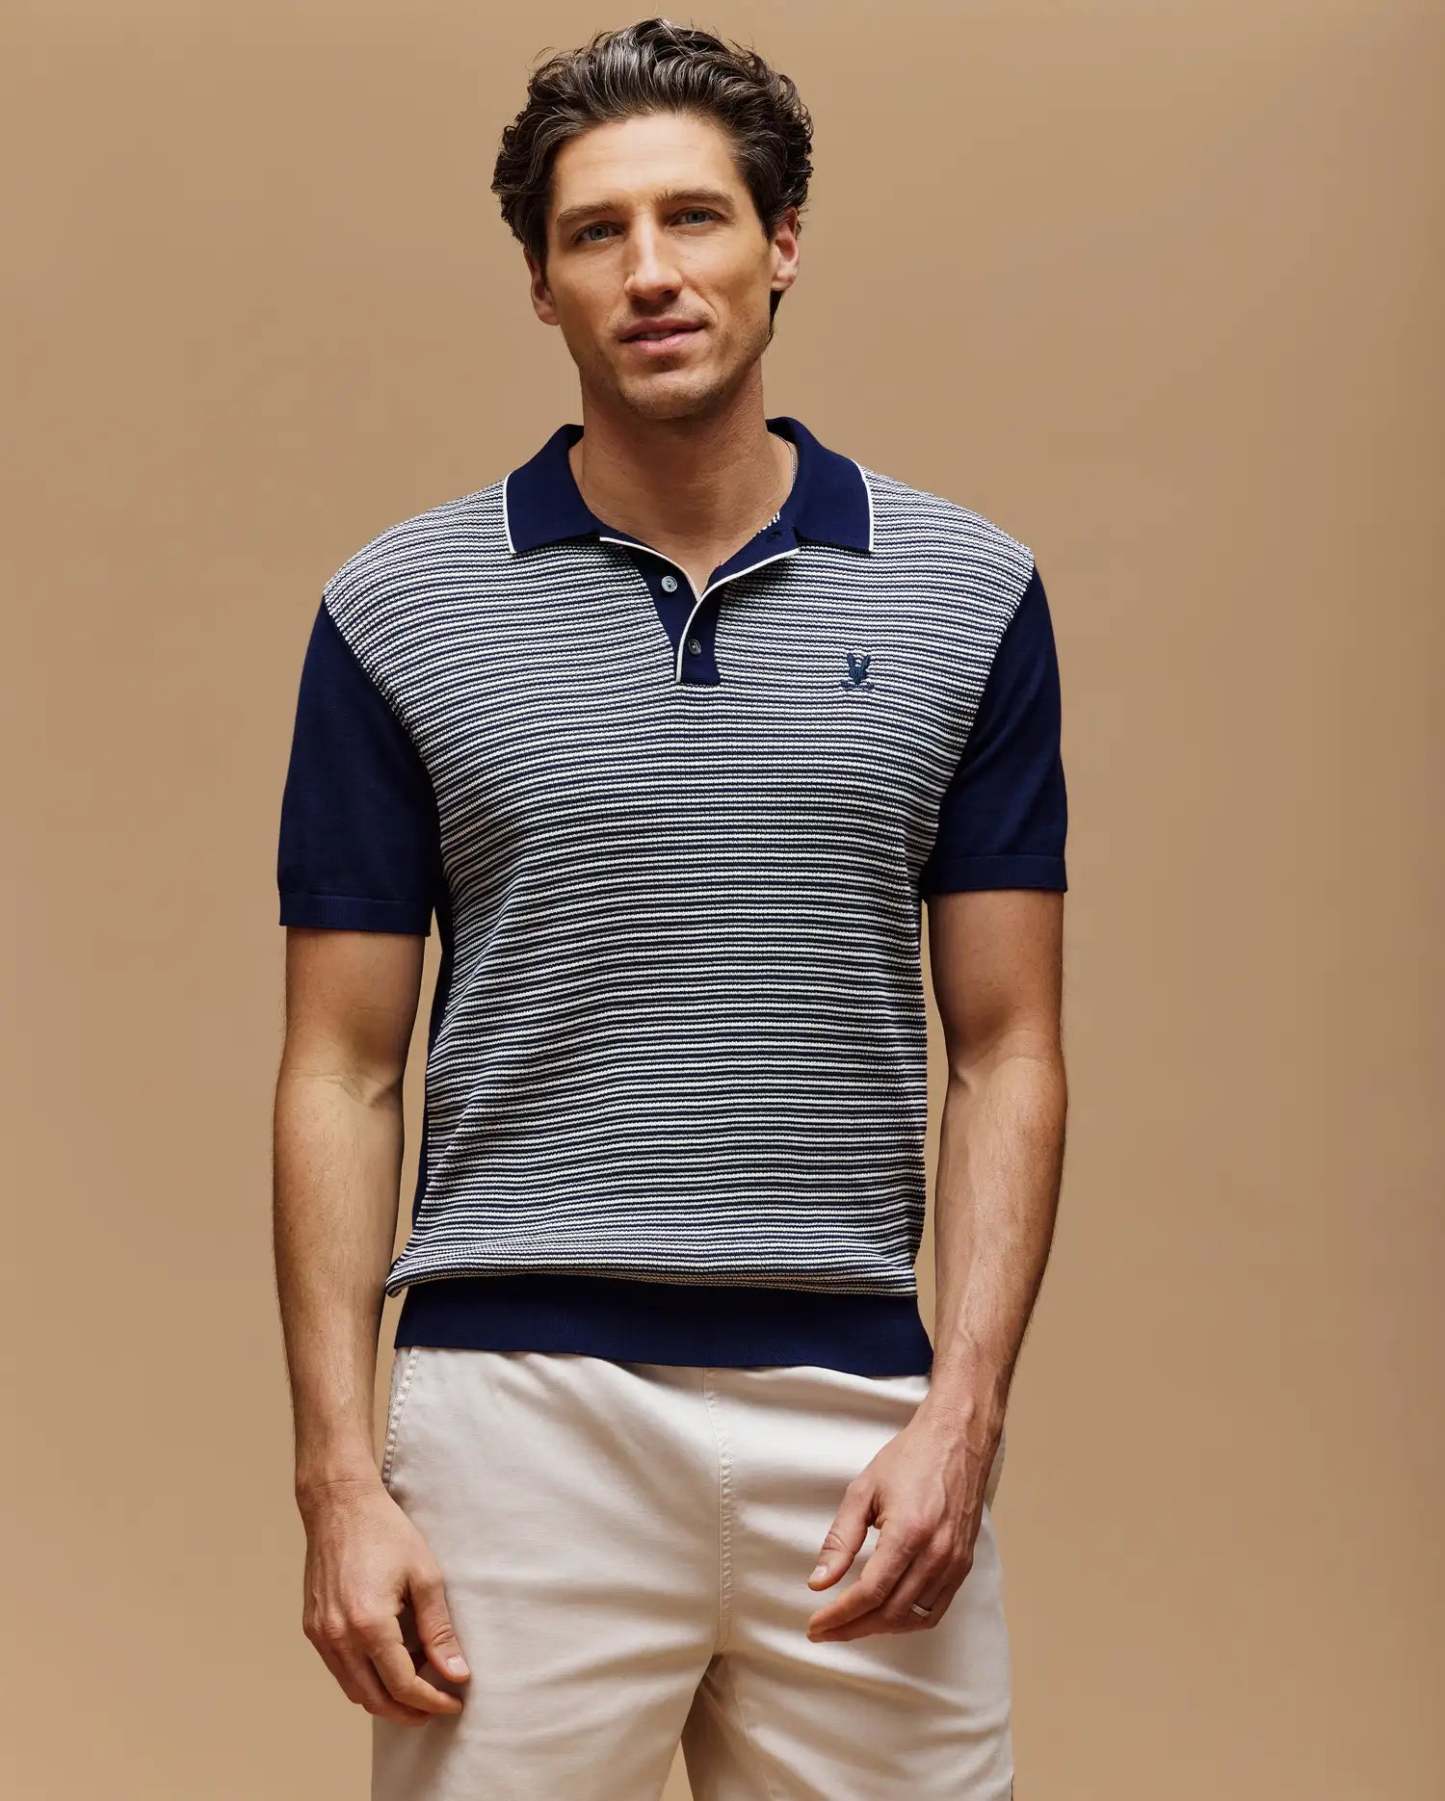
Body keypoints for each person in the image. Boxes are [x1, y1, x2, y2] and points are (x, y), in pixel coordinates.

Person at [273, 17, 1068, 1799]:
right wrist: (338, 1475)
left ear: (780, 245)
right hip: (513, 1417)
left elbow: (1008, 1045)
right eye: (595, 232)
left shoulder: (968, 593)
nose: (650, 272)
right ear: (540, 285)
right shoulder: (394, 611)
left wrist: (961, 1414)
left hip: (860, 1422)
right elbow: (339, 1068)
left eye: (694, 217)